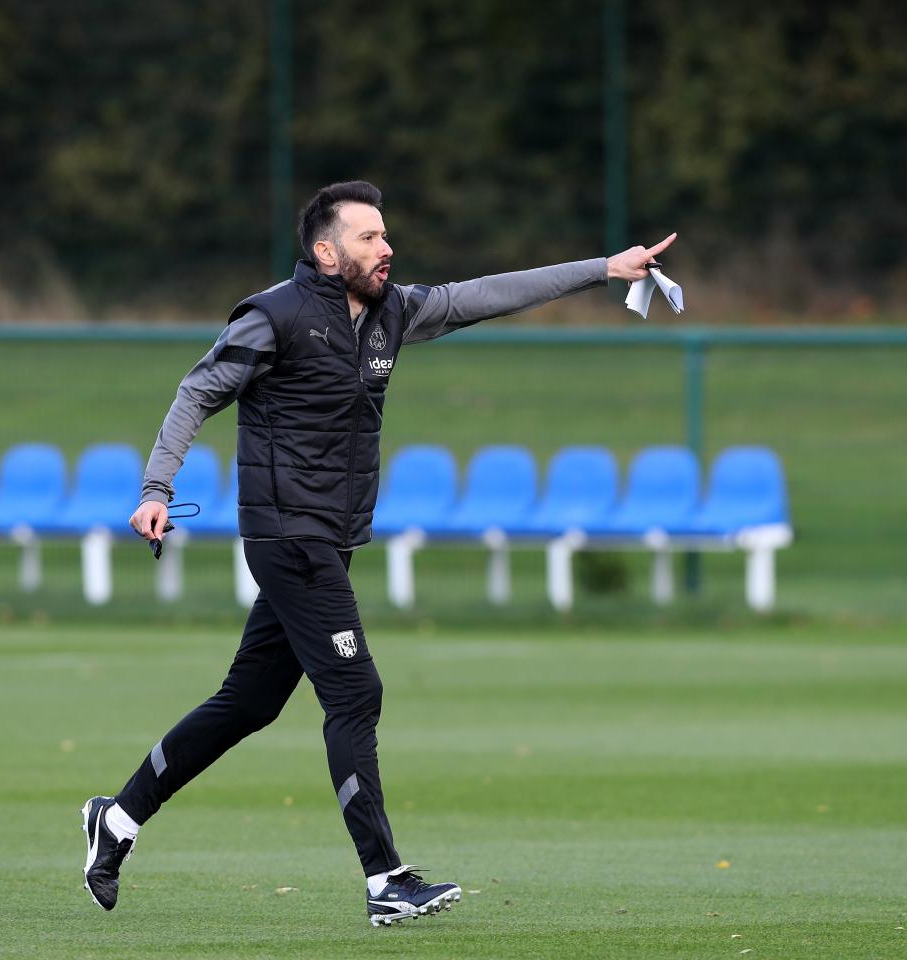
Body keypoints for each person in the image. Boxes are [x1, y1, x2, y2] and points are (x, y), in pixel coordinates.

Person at [81, 180, 676, 926]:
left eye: (385, 234)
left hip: (329, 541)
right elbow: (196, 392)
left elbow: (488, 293)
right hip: (288, 538)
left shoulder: (395, 312)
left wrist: (604, 269)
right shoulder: (274, 318)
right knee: (356, 694)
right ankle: (385, 879)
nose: (386, 247)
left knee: (249, 703)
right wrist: (155, 489)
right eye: (369, 237)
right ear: (327, 253)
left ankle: (117, 819)